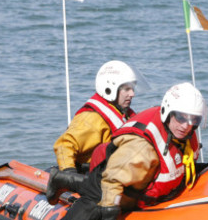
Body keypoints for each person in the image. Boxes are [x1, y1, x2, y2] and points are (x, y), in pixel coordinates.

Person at [0, 82, 206, 220]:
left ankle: (65, 179)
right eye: (181, 117)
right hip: (106, 183)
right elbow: (112, 182)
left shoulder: (182, 134)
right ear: (168, 112)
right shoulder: (141, 150)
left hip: (132, 184)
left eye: (193, 119)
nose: (186, 124)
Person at [46, 60, 139, 205]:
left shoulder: (124, 114)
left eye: (132, 88)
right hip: (92, 177)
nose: (132, 94)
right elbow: (64, 146)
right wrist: (71, 177)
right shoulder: (92, 119)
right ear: (110, 89)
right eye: (126, 89)